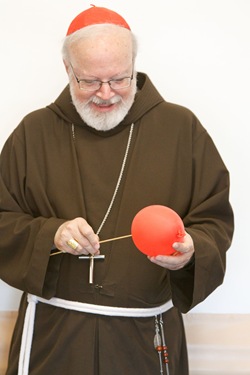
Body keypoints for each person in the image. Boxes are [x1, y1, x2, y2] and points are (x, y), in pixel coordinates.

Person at [0, 5, 234, 375]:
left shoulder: (181, 130)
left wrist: (191, 251)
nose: (106, 94)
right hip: (55, 338)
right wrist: (51, 233)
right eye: (90, 81)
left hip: (144, 339)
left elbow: (214, 221)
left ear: (134, 64)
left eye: (119, 79)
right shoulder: (33, 134)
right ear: (68, 70)